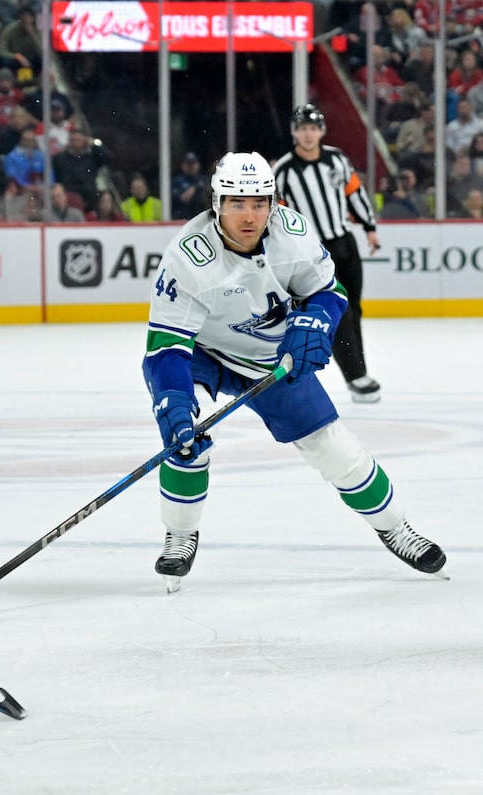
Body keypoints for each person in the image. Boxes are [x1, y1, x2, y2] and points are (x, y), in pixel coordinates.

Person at [142, 151, 446, 593]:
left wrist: (316, 321)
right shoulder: (187, 259)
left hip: (272, 359)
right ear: (216, 203)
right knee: (185, 445)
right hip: (203, 355)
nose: (250, 215)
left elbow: (330, 291)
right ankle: (181, 534)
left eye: (260, 202)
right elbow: (166, 347)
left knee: (339, 453)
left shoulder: (294, 234)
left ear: (273, 202)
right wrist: (172, 400)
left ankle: (396, 528)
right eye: (237, 203)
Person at [273, 104, 383, 403]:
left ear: (321, 131)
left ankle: (359, 369)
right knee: (337, 311)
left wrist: (369, 227)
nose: (308, 134)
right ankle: (356, 375)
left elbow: (354, 193)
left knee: (354, 307)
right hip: (314, 252)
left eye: (313, 128)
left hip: (344, 243)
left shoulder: (337, 160)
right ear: (294, 132)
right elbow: (277, 215)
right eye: (302, 128)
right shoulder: (282, 171)